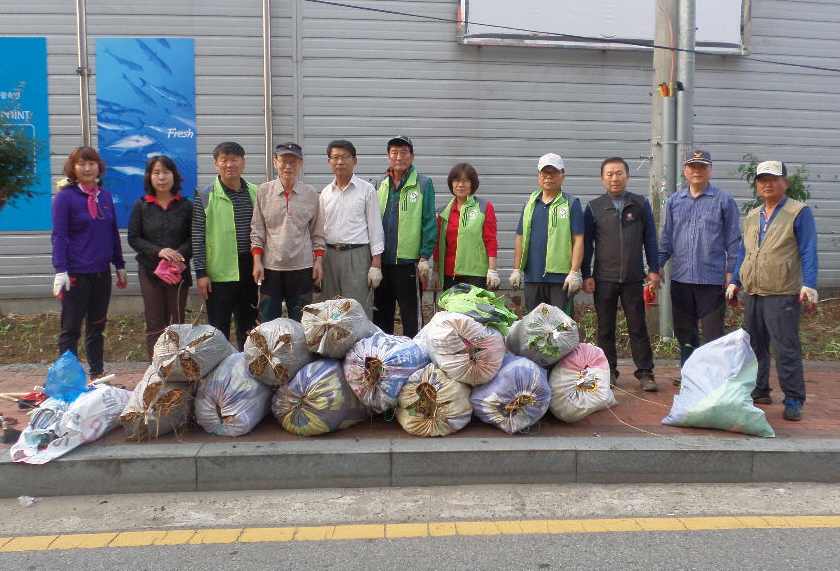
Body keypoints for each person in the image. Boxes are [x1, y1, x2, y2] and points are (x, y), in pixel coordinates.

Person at [728, 161, 818, 421]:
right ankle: (760, 390)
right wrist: (735, 281)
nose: (767, 184)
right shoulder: (754, 214)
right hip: (754, 291)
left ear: (785, 183)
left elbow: (808, 250)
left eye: (773, 179)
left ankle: (793, 398)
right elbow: (743, 252)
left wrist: (809, 283)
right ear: (757, 185)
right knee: (755, 346)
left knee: (786, 347)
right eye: (762, 180)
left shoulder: (799, 212)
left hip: (782, 292)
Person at [659, 150, 741, 382]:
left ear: (710, 170)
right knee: (685, 332)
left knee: (713, 334)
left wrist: (732, 274)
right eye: (692, 166)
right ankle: (689, 373)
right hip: (682, 279)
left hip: (711, 279)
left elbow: (733, 240)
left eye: (702, 166)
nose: (697, 170)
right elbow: (667, 238)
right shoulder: (676, 201)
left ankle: (714, 377)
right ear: (685, 170)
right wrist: (656, 267)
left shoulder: (724, 201)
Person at [582, 157, 660, 391]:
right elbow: (587, 246)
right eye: (609, 174)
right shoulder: (594, 207)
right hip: (604, 278)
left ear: (628, 176)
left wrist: (653, 269)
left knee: (638, 327)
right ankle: (609, 372)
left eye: (619, 173)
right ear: (602, 178)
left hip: (633, 278)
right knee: (605, 328)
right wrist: (587, 274)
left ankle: (645, 373)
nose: (614, 178)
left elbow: (650, 240)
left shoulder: (640, 204)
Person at [51, 146, 127, 378]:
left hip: (101, 272)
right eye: (81, 164)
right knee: (71, 328)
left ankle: (96, 374)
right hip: (75, 273)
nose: (87, 168)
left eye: (91, 163)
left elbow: (112, 232)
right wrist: (60, 269)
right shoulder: (65, 198)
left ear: (98, 167)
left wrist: (119, 264)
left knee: (97, 326)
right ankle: (69, 377)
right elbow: (59, 235)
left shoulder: (103, 196)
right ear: (73, 168)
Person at [192, 141, 259, 349]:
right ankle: (220, 377)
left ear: (243, 163)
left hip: (250, 269)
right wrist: (201, 272)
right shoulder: (205, 195)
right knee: (218, 330)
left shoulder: (256, 192)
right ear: (216, 164)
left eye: (234, 159)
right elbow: (197, 235)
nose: (229, 164)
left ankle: (247, 373)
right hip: (218, 272)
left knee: (248, 327)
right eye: (224, 160)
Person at [251, 142, 325, 322]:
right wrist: (257, 261)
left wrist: (319, 261)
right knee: (269, 321)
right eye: (284, 161)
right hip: (271, 267)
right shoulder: (264, 191)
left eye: (294, 162)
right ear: (275, 162)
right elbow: (257, 230)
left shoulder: (310, 194)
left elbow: (317, 231)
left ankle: (300, 351)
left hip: (302, 267)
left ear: (301, 164)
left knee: (301, 321)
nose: (288, 166)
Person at [128, 155, 192, 360]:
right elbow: (134, 238)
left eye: (166, 172)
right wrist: (158, 251)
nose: (161, 177)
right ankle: (156, 368)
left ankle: (177, 367)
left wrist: (178, 254)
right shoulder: (141, 206)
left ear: (174, 176)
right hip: (150, 271)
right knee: (155, 323)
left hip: (178, 272)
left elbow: (195, 237)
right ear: (149, 177)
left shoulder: (185, 206)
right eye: (156, 172)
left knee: (177, 322)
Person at [372, 135, 437, 338]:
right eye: (394, 152)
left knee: (411, 317)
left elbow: (429, 221)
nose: (399, 156)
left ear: (412, 156)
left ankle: (415, 356)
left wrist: (424, 257)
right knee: (381, 315)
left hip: (409, 264)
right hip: (382, 262)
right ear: (388, 156)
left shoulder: (424, 184)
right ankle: (383, 358)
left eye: (404, 152)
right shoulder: (377, 184)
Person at [510, 153, 584, 313]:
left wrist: (574, 272)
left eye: (554, 173)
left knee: (561, 327)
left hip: (561, 278)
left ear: (563, 176)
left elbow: (578, 240)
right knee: (535, 325)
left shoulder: (571, 204)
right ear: (539, 175)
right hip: (533, 276)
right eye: (545, 173)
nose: (549, 177)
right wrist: (516, 270)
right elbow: (520, 237)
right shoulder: (530, 204)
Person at [319, 139, 384, 315]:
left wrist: (376, 263)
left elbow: (375, 227)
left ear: (355, 161)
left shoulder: (366, 190)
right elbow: (320, 229)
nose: (340, 162)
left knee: (357, 310)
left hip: (357, 257)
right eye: (335, 157)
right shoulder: (325, 193)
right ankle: (332, 343)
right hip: (329, 256)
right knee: (330, 309)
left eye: (345, 157)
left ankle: (361, 343)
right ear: (329, 162)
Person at [433, 163, 499, 291]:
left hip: (476, 275)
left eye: (465, 181)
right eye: (456, 180)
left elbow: (491, 241)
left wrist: (492, 270)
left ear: (472, 183)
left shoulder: (484, 208)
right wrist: (435, 271)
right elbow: (438, 245)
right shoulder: (443, 212)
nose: (460, 185)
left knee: (474, 311)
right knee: (451, 311)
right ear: (451, 183)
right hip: (449, 275)